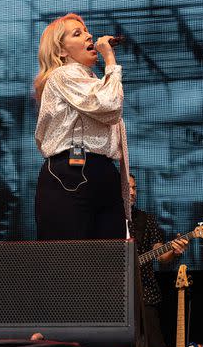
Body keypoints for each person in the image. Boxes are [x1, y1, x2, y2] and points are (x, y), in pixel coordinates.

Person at [33, 12, 130, 240]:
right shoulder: (63, 75)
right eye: (78, 34)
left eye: (86, 31)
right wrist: (110, 61)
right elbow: (110, 104)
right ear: (61, 51)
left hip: (100, 171)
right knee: (71, 261)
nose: (89, 36)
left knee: (108, 261)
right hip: (72, 172)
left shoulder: (92, 82)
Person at [127, 173, 189, 347]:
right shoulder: (109, 221)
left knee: (155, 346)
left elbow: (160, 255)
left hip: (145, 294)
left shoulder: (147, 220)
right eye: (128, 188)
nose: (132, 192)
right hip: (115, 297)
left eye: (134, 188)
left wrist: (173, 252)